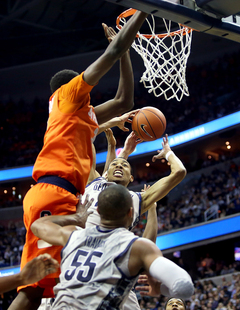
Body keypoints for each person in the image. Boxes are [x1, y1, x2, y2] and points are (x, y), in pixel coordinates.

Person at [9, 10, 149, 310]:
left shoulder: (83, 115)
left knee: (54, 284)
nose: (91, 88)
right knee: (36, 286)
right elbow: (111, 52)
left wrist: (124, 52)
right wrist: (145, 11)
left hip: (65, 196)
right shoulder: (68, 95)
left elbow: (125, 101)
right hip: (53, 192)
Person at [30, 184, 194, 309]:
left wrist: (76, 218)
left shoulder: (73, 234)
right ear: (131, 212)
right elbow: (183, 286)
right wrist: (160, 288)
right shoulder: (137, 246)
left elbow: (37, 225)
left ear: (99, 211)